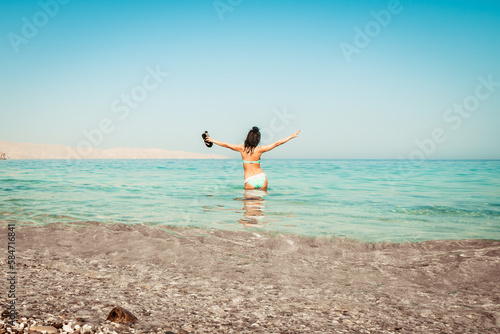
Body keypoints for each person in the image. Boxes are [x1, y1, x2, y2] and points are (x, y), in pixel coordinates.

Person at [206, 127, 300, 190]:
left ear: (248, 137)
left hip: (249, 179)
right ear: (258, 139)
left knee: (248, 210)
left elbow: (226, 145)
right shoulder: (260, 149)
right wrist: (291, 136)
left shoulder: (241, 148)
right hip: (262, 177)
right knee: (260, 208)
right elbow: (277, 143)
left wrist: (212, 140)